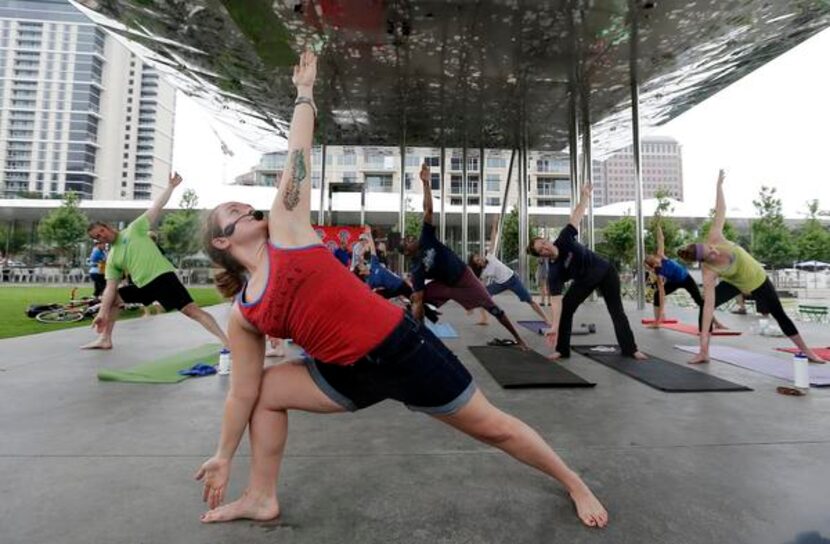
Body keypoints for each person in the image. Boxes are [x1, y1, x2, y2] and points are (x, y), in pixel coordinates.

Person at [194, 51, 607, 529]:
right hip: (344, 374)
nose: (248, 208)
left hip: (403, 351)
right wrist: (223, 454)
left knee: (494, 428)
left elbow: (297, 157)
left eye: (247, 203)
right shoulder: (245, 314)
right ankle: (261, 495)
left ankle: (573, 480)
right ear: (224, 241)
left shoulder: (287, 228)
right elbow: (240, 392)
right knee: (266, 391)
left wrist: (305, 95)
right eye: (236, 211)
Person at [677, 170, 825, 364]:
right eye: (710, 255)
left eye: (710, 248)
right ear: (704, 261)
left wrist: (718, 187)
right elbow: (709, 309)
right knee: (705, 306)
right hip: (735, 282)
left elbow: (720, 209)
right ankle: (704, 351)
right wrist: (703, 340)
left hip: (758, 279)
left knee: (779, 314)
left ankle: (807, 352)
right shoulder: (709, 272)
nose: (714, 251)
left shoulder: (715, 236)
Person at [83, 172, 229, 350]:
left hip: (162, 279)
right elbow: (110, 288)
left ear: (107, 227)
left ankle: (227, 342)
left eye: (101, 231)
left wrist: (170, 187)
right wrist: (102, 312)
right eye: (97, 236)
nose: (101, 236)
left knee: (192, 311)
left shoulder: (134, 229)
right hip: (143, 286)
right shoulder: (112, 257)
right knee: (113, 298)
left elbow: (156, 207)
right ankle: (105, 339)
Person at [401, 163, 528, 349]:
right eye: (406, 241)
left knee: (492, 307)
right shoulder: (416, 269)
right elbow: (418, 299)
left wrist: (426, 184)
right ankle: (419, 335)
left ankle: (519, 339)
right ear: (406, 252)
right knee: (415, 299)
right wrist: (419, 324)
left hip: (465, 277)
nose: (410, 238)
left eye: (410, 236)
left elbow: (428, 210)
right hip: (445, 286)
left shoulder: (426, 238)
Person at [528, 183, 647, 361]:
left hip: (605, 271)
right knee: (567, 307)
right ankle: (562, 350)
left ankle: (630, 349)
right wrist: (554, 326)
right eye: (541, 250)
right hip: (584, 280)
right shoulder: (554, 271)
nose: (545, 247)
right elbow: (556, 303)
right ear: (542, 256)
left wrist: (585, 197)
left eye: (543, 243)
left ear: (546, 240)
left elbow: (576, 216)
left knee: (616, 311)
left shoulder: (564, 238)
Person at [468, 220, 551, 327]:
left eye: (479, 257)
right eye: (478, 260)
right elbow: (481, 285)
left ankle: (547, 319)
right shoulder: (483, 273)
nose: (480, 259)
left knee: (530, 300)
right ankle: (484, 319)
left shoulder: (489, 256)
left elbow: (493, 238)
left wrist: (494, 225)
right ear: (477, 265)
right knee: (483, 296)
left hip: (512, 280)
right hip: (500, 284)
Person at [643, 220, 725, 329]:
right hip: (674, 282)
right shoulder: (658, 273)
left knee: (700, 301)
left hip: (686, 278)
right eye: (654, 263)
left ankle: (716, 323)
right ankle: (658, 321)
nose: (657, 261)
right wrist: (661, 314)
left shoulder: (661, 255)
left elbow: (660, 239)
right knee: (657, 295)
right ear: (653, 266)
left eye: (655, 259)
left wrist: (658, 226)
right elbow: (662, 294)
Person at [354, 227, 413, 300]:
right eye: (361, 266)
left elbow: (372, 249)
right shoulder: (370, 282)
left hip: (400, 284)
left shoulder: (374, 265)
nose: (363, 264)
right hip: (392, 291)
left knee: (416, 300)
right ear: (361, 272)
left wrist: (369, 234)